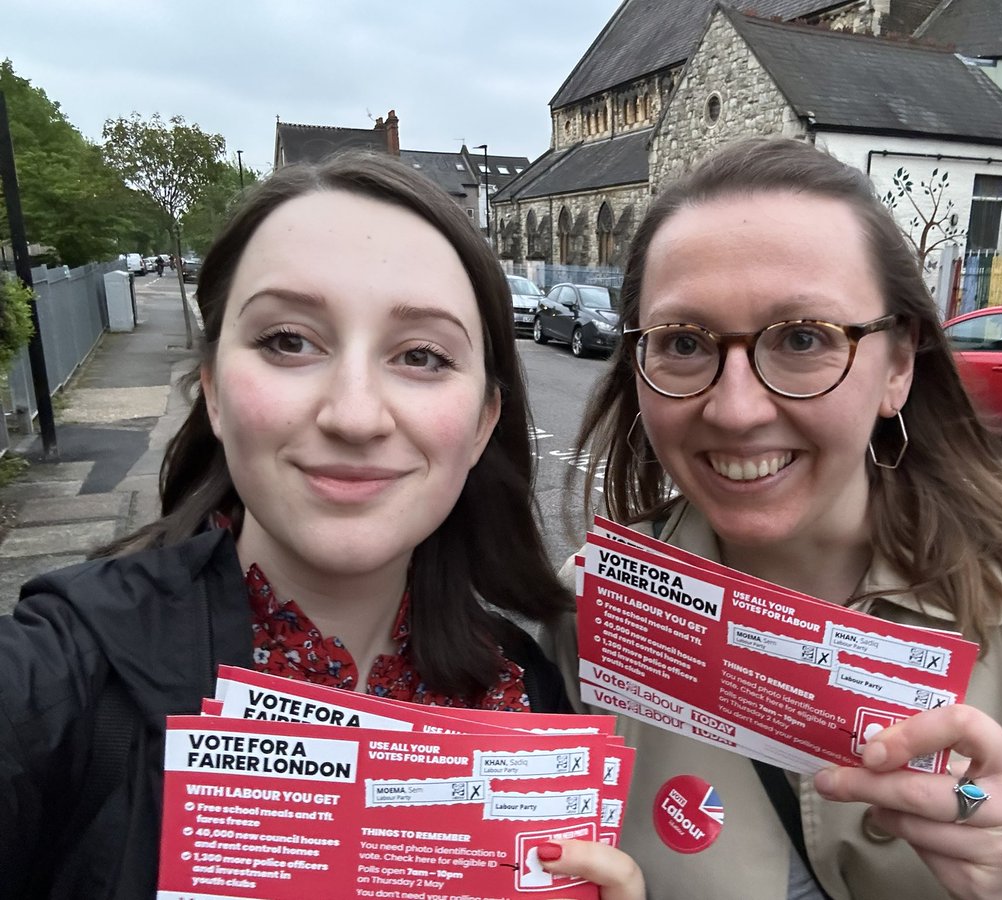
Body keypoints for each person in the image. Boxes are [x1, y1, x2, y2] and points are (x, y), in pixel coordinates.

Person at [552, 137, 1002, 900]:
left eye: (802, 339)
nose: (734, 409)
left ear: (898, 365)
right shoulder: (591, 606)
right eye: (684, 344)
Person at [0, 150, 643, 900]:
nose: (355, 415)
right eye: (288, 341)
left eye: (423, 355)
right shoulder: (60, 681)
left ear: (481, 423)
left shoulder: (530, 697)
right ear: (212, 392)